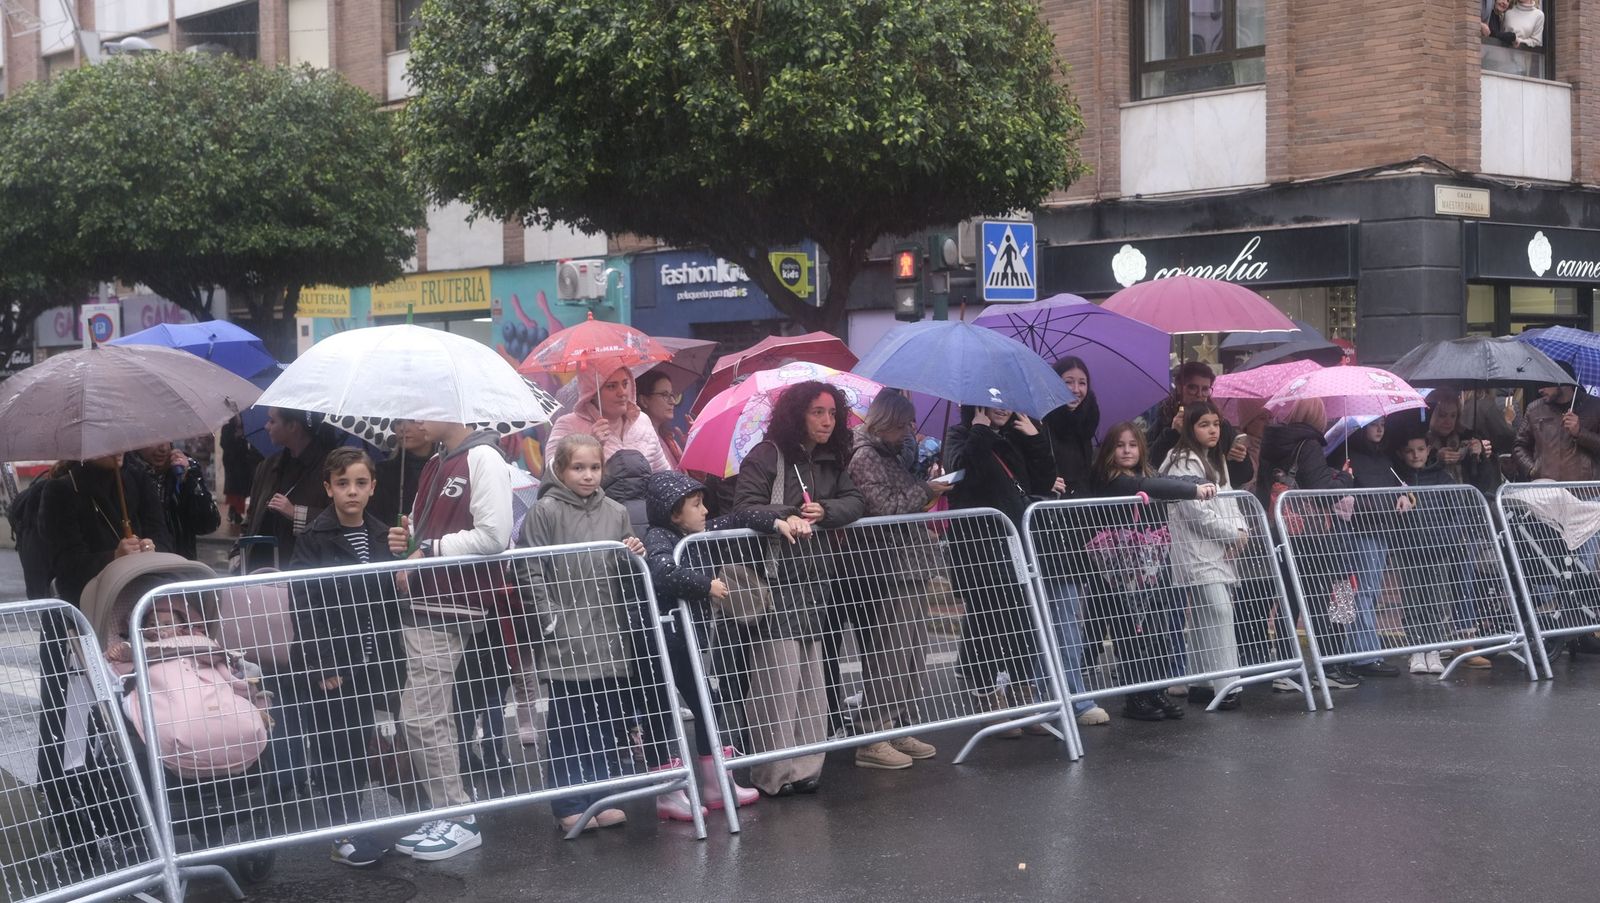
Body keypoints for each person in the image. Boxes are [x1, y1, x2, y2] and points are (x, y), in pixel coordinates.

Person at [386, 419, 514, 861]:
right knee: (429, 712)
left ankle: (456, 814)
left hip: (452, 602)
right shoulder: (437, 463)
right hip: (430, 601)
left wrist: (428, 550)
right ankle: (449, 810)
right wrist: (410, 540)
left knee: (421, 714)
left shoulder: (483, 458)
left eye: (422, 410)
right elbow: (427, 539)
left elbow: (496, 535)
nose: (412, 420)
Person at [732, 380, 865, 796]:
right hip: (776, 581)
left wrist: (825, 511)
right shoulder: (767, 454)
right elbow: (743, 507)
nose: (827, 421)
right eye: (817, 412)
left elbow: (857, 502)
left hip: (817, 580)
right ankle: (773, 774)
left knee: (811, 682)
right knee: (779, 680)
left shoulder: (830, 460)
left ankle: (806, 769)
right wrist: (790, 513)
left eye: (831, 413)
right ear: (797, 415)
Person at [33, 453, 167, 866]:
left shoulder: (137, 480)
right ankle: (73, 830)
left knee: (130, 719)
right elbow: (62, 565)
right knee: (68, 728)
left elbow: (165, 534)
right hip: (73, 624)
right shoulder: (59, 491)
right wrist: (111, 557)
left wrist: (149, 548)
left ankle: (132, 824)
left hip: (127, 622)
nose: (119, 450)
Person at [641, 470, 795, 817]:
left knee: (708, 705)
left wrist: (776, 522)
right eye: (696, 505)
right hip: (660, 642)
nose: (705, 511)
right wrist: (704, 585)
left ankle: (716, 783)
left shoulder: (697, 531)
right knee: (661, 713)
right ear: (673, 513)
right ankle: (668, 793)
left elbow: (738, 516)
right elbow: (662, 572)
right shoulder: (659, 537)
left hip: (689, 641)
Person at [516, 433, 647, 832]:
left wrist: (633, 554)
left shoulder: (615, 510)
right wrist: (548, 617)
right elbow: (528, 568)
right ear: (560, 469)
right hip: (566, 634)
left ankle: (601, 797)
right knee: (570, 725)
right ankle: (570, 801)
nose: (588, 475)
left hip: (608, 632)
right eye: (578, 467)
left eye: (594, 467)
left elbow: (622, 570)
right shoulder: (545, 511)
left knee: (606, 721)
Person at [287, 447, 403, 868]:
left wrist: (404, 556)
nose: (351, 492)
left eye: (359, 483)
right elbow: (303, 605)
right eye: (342, 484)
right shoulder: (313, 539)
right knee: (334, 747)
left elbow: (391, 596)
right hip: (332, 664)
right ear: (328, 488)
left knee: (357, 743)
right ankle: (342, 831)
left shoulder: (382, 533)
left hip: (371, 660)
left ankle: (355, 823)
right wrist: (321, 664)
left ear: (373, 487)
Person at [844, 391, 952, 769]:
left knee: (913, 651)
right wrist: (926, 490)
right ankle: (874, 732)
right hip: (889, 565)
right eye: (905, 423)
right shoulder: (865, 456)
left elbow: (897, 497)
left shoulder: (889, 454)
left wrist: (924, 483)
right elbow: (884, 507)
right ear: (887, 422)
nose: (910, 431)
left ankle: (897, 724)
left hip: (909, 562)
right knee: (890, 651)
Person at [943, 404, 1056, 735]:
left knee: (1023, 621)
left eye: (1006, 401)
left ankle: (1023, 696)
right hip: (977, 545)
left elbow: (1044, 480)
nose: (1001, 408)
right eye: (992, 401)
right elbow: (963, 471)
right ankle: (987, 697)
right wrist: (979, 432)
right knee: (987, 621)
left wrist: (1036, 439)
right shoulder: (960, 435)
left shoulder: (1015, 435)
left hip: (1015, 542)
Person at [1088, 423, 1213, 721]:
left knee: (1158, 629)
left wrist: (1198, 480)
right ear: (1109, 451)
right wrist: (1193, 489)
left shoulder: (1147, 475)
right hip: (1120, 571)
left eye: (1133, 444)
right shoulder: (1113, 480)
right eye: (1120, 445)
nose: (1127, 450)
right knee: (1130, 632)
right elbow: (1153, 487)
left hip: (1153, 566)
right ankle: (1136, 696)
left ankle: (1155, 690)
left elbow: (1162, 481)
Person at [1258, 397, 1361, 691]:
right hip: (1312, 537)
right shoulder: (1309, 444)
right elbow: (1323, 492)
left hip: (1281, 530)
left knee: (1288, 599)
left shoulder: (1273, 442)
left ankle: (1287, 668)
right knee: (1317, 599)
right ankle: (1325, 666)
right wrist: (1344, 478)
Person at [1158, 402, 1249, 710]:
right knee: (1220, 610)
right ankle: (1228, 685)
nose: (1212, 430)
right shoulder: (1180, 460)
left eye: (1216, 424)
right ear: (1189, 428)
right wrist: (1232, 534)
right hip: (1195, 550)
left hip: (1220, 548)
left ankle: (1202, 682)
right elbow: (1195, 512)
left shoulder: (1217, 458)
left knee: (1203, 616)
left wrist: (1241, 530)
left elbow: (1232, 499)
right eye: (1204, 424)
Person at [1340, 418, 1403, 678]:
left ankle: (1360, 651)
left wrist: (1403, 496)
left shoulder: (1383, 458)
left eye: (1382, 424)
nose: (1379, 429)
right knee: (1362, 592)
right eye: (1373, 424)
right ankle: (1365, 654)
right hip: (1361, 530)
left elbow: (1397, 486)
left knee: (1370, 591)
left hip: (1381, 529)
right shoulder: (1349, 457)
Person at [244, 408, 336, 568]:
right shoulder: (267, 467)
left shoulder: (330, 470)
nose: (267, 426)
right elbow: (252, 517)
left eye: (273, 421)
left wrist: (295, 513)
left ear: (293, 426)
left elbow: (339, 519)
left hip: (304, 570)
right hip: (261, 569)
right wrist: (238, 554)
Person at [1149, 362, 1254, 489]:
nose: (1199, 394)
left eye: (1205, 389)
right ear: (1179, 387)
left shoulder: (1220, 424)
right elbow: (1149, 466)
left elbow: (1241, 477)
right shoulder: (1164, 419)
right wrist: (1172, 433)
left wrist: (1237, 460)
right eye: (1192, 388)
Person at [545, 367, 671, 473]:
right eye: (611, 386)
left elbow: (664, 475)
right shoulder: (568, 424)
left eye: (625, 384)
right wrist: (590, 447)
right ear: (592, 393)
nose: (622, 393)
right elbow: (552, 474)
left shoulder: (643, 420)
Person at [125, 440, 221, 561]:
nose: (164, 448)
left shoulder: (182, 469)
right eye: (155, 439)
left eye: (168, 441)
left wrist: (189, 479)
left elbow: (208, 524)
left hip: (181, 566)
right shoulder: (126, 474)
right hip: (143, 566)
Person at [1513, 374, 1600, 483]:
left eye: (1546, 384)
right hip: (1546, 490)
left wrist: (1580, 433)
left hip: (1584, 492)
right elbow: (1520, 446)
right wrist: (1533, 469)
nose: (1540, 389)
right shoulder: (1535, 409)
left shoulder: (1595, 406)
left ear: (1563, 383)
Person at [1418, 392, 1500, 495]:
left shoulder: (1466, 439)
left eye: (1453, 416)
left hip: (1465, 503)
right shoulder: (1420, 441)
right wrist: (1436, 460)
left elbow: (1483, 484)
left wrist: (1479, 456)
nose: (1448, 421)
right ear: (1431, 414)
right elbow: (1418, 477)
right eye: (1442, 415)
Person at [1044, 357, 1097, 496]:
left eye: (1082, 383)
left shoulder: (1088, 419)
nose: (1076, 389)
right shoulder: (1040, 420)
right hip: (1052, 505)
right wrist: (1045, 480)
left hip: (1083, 504)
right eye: (1068, 382)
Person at [371, 419, 434, 528]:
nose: (403, 428)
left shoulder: (445, 469)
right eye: (398, 422)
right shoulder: (381, 472)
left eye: (412, 421)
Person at [220, 414, 261, 534]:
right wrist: (235, 438)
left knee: (242, 489)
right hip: (232, 464)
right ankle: (235, 513)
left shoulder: (245, 428)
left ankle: (235, 512)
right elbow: (223, 444)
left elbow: (247, 447)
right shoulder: (227, 428)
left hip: (243, 463)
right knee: (234, 489)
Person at [637, 369, 685, 468]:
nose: (672, 401)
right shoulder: (640, 442)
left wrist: (691, 448)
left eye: (672, 395)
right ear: (644, 400)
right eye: (664, 395)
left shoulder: (668, 439)